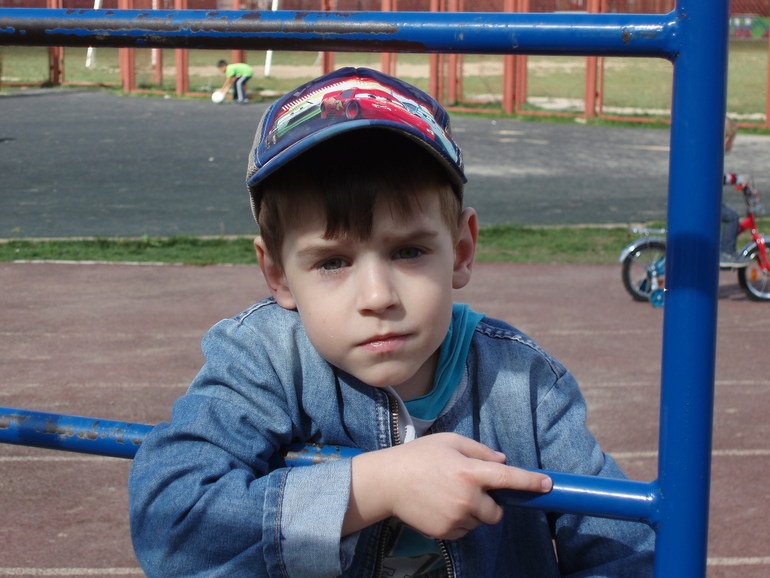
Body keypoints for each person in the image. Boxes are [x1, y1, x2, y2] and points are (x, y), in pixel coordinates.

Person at [128, 67, 655, 576]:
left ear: (461, 250)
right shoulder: (264, 361)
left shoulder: (524, 383)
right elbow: (171, 526)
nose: (378, 297)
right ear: (278, 274)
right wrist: (377, 486)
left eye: (408, 251)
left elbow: (627, 550)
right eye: (332, 262)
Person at [721, 116, 751, 267]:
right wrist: (737, 179)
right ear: (727, 140)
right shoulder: (714, 155)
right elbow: (717, 178)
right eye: (732, 141)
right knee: (732, 218)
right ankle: (726, 252)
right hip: (703, 202)